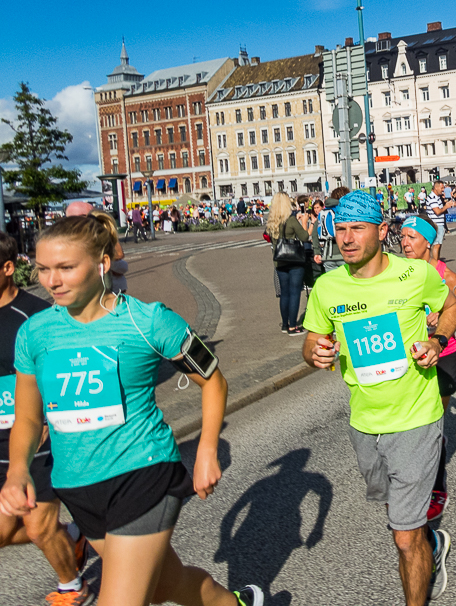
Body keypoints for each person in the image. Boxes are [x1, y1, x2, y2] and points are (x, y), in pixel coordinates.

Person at [0, 217, 262, 606]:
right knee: (164, 587)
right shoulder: (35, 332)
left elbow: (214, 380)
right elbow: (27, 418)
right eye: (43, 269)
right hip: (76, 487)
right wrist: (18, 470)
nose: (52, 281)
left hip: (142, 473)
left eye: (66, 268)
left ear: (103, 263)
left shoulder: (148, 320)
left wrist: (206, 450)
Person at [302, 192, 456, 605]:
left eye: (358, 228)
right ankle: (430, 541)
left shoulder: (416, 274)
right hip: (364, 423)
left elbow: (451, 304)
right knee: (397, 515)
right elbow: (312, 340)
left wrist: (437, 339)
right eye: (340, 229)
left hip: (417, 417)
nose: (347, 238)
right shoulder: (326, 287)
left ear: (381, 231)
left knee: (404, 536)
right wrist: (315, 353)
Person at [0, 231, 92, 604]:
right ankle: (70, 535)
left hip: (36, 433)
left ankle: (72, 585)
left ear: (7, 268)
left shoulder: (35, 318)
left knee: (37, 527)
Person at [399, 214, 456, 522]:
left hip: (443, 357)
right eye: (403, 236)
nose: (405, 243)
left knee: (432, 426)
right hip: (408, 360)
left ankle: (435, 486)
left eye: (412, 237)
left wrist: (442, 314)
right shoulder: (396, 274)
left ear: (429, 242)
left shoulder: (448, 276)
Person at [267, 192, 320, 335]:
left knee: (284, 293)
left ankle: (285, 324)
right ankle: (293, 326)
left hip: (279, 261)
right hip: (294, 260)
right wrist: (304, 222)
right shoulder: (291, 221)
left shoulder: (271, 222)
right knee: (295, 292)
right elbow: (304, 236)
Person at [425, 180, 456, 260]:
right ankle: (435, 264)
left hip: (439, 224)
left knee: (438, 244)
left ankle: (436, 262)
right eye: (442, 188)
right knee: (436, 245)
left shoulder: (437, 197)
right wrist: (446, 206)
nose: (443, 190)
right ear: (436, 187)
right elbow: (437, 211)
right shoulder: (432, 197)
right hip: (436, 224)